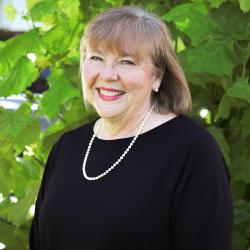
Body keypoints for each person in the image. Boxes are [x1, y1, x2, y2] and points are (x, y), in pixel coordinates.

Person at [29, 5, 233, 250]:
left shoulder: (192, 152)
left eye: (126, 61)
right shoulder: (68, 147)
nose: (107, 74)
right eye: (96, 57)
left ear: (158, 76)